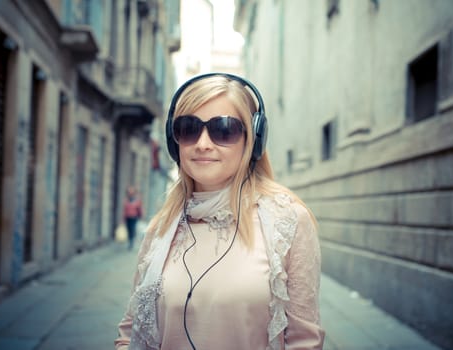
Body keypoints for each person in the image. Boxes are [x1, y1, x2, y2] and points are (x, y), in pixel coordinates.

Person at [115, 73, 325, 349]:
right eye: (188, 128)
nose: (202, 143)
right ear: (173, 140)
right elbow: (129, 334)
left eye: (223, 129)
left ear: (252, 141)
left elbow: (304, 343)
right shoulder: (160, 227)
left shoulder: (288, 221)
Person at [123, 185, 143, 250]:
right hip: (128, 217)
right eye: (129, 193)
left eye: (131, 193)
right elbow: (125, 210)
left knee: (132, 229)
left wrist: (140, 216)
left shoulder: (137, 201)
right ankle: (130, 241)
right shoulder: (126, 200)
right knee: (128, 229)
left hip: (134, 217)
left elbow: (139, 209)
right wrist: (123, 218)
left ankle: (131, 242)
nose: (130, 194)